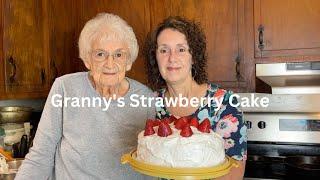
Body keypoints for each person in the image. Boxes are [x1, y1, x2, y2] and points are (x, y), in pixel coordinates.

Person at [16, 13, 155, 180]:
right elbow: (40, 156)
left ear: (129, 61)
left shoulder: (146, 98)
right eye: (100, 54)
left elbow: (149, 163)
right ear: (87, 59)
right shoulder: (65, 88)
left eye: (119, 55)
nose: (110, 64)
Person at [144, 16, 247, 180]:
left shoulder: (224, 103)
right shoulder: (149, 104)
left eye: (181, 49)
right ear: (155, 58)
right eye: (164, 50)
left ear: (194, 57)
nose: (172, 58)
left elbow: (233, 171)